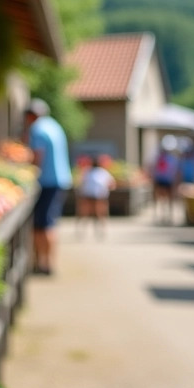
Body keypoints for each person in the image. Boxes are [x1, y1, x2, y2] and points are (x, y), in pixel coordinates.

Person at [24, 99, 71, 275]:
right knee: (50, 222)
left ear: (31, 116)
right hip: (60, 180)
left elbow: (38, 156)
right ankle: (48, 262)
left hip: (46, 181)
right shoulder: (54, 125)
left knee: (41, 225)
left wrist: (28, 173)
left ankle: (42, 263)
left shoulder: (38, 129)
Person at [78, 156, 116, 239]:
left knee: (100, 214)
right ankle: (82, 231)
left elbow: (111, 183)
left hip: (99, 197)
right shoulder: (88, 171)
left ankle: (101, 231)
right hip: (88, 196)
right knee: (85, 214)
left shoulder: (101, 172)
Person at [151, 135, 179, 224]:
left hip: (168, 180)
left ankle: (169, 216)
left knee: (169, 198)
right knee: (161, 198)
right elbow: (155, 168)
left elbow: (175, 171)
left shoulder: (172, 158)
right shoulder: (159, 157)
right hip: (161, 179)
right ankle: (161, 215)